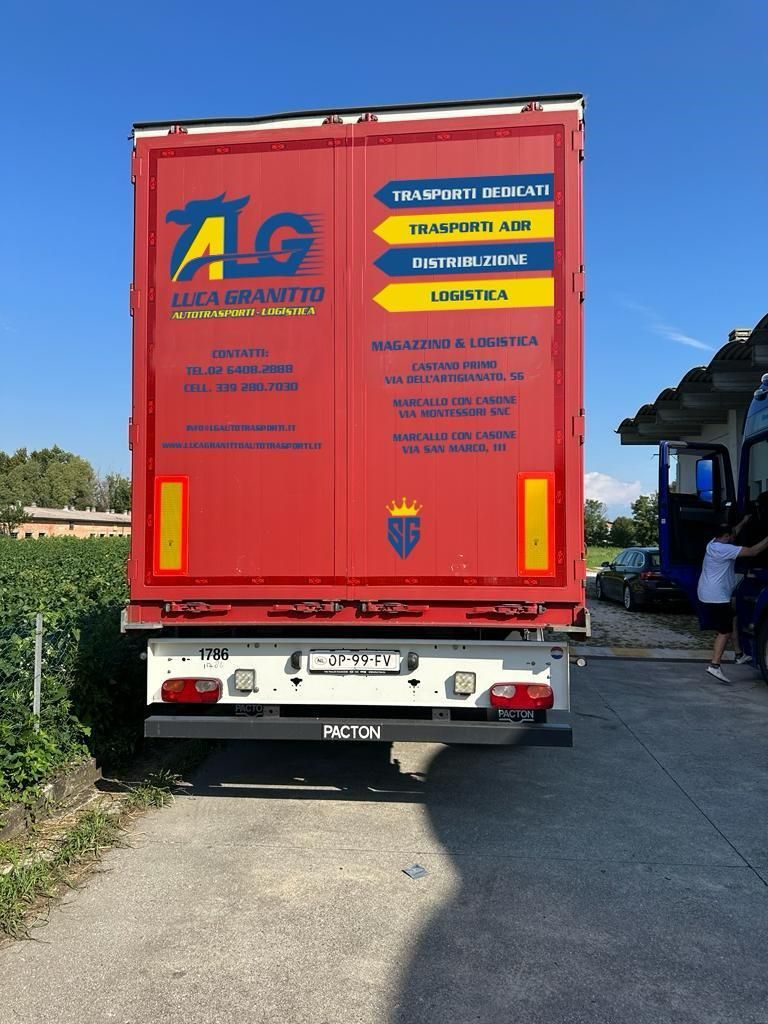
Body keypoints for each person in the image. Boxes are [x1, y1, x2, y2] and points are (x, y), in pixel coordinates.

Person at [697, 515, 768, 683]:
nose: (733, 538)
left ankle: (739, 654)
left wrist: (744, 521)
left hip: (708, 592)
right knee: (724, 631)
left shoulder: (712, 543)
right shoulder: (724, 549)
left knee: (733, 618)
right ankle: (715, 665)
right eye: (731, 537)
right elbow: (754, 551)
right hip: (716, 596)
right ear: (726, 537)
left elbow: (734, 531)